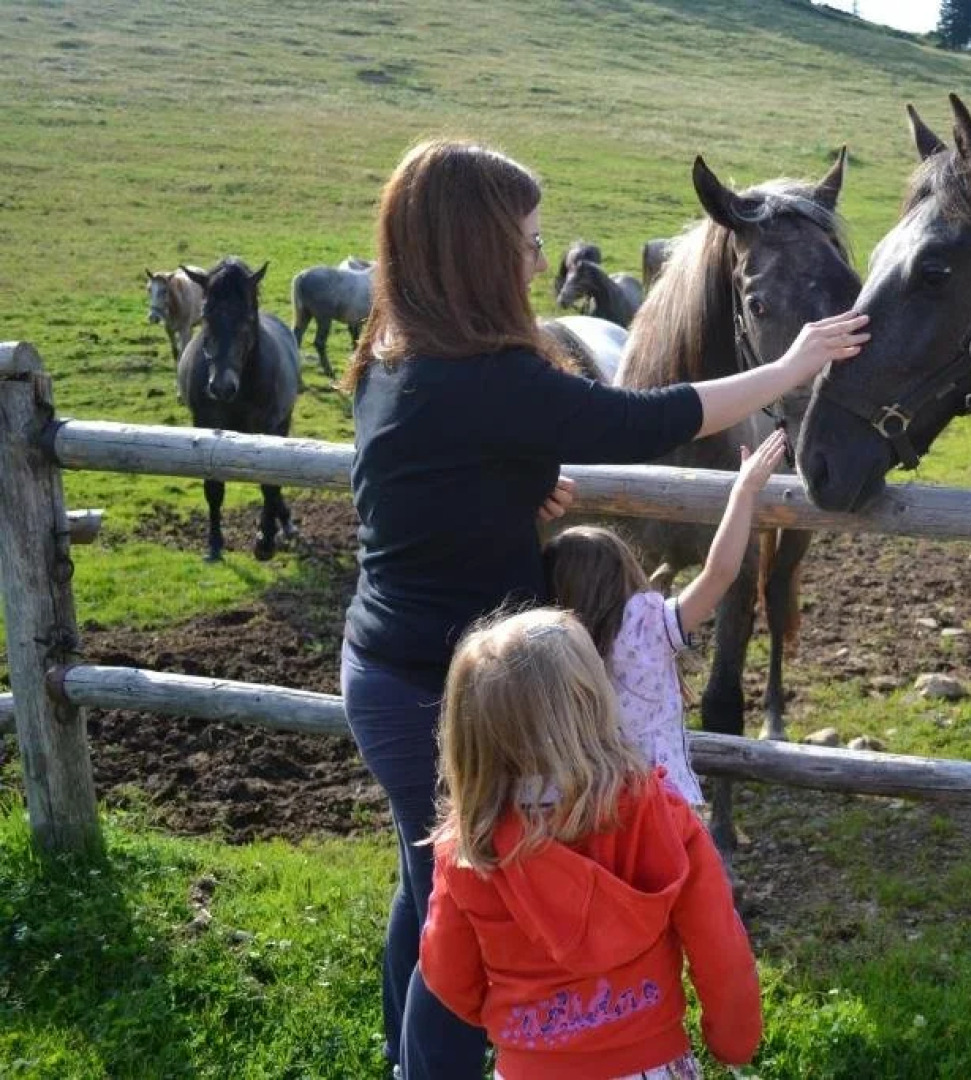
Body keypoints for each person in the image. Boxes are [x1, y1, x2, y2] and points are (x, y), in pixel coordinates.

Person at [338, 138, 866, 1078]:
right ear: (477, 252)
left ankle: (399, 1057)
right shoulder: (489, 377)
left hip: (393, 665)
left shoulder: (393, 356)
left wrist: (513, 489)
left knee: (426, 881)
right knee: (453, 904)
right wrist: (792, 368)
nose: (542, 263)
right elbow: (649, 419)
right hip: (435, 684)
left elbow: (419, 480)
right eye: (528, 244)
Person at [419, 608, 761, 1080]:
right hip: (648, 1063)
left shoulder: (468, 846)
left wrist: (516, 1025)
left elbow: (445, 971)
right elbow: (719, 943)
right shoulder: (656, 812)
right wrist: (734, 1039)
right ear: (592, 701)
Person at [544, 427, 789, 808]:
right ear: (625, 574)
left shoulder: (544, 650)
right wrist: (744, 492)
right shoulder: (648, 628)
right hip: (661, 810)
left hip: (584, 812)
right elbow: (720, 572)